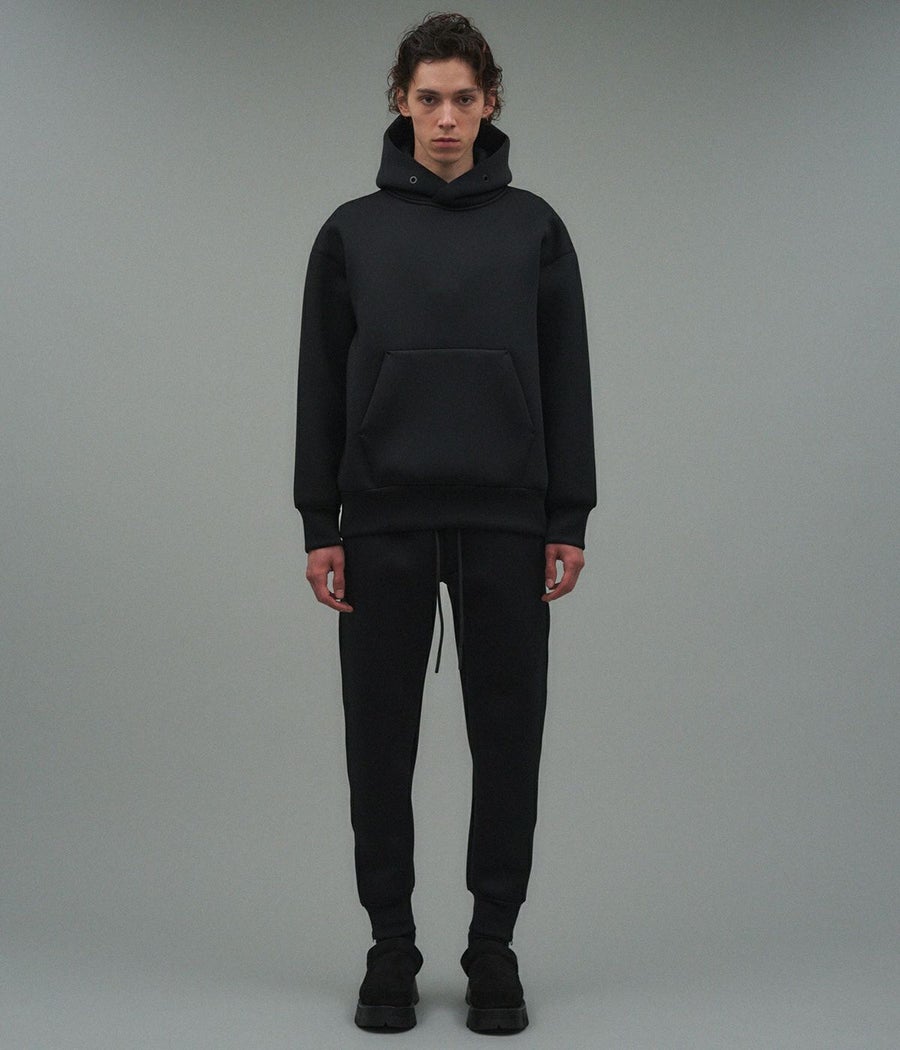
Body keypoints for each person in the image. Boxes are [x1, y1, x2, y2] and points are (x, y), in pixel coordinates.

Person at [294, 12, 595, 1034]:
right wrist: (319, 521)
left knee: (509, 740)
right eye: (428, 99)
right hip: (381, 517)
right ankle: (390, 944)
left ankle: (492, 946)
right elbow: (320, 381)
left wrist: (569, 514)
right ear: (400, 102)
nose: (447, 118)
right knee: (378, 744)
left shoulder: (535, 229)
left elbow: (566, 375)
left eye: (464, 98)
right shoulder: (351, 232)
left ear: (490, 102)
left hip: (506, 518)